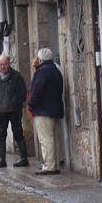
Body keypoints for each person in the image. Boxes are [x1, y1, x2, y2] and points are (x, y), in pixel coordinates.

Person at [27, 47, 64, 176]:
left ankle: (49, 166)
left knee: (46, 139)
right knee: (54, 139)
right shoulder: (56, 70)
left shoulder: (41, 73)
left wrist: (30, 103)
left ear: (40, 59)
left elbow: (37, 90)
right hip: (55, 109)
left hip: (43, 110)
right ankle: (55, 164)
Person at [0, 53, 29, 169]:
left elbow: (22, 93)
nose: (2, 66)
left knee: (17, 132)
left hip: (14, 110)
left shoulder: (16, 76)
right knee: (1, 134)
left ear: (8, 63)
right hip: (0, 110)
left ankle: (23, 158)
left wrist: (14, 103)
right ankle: (2, 159)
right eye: (0, 64)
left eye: (4, 64)